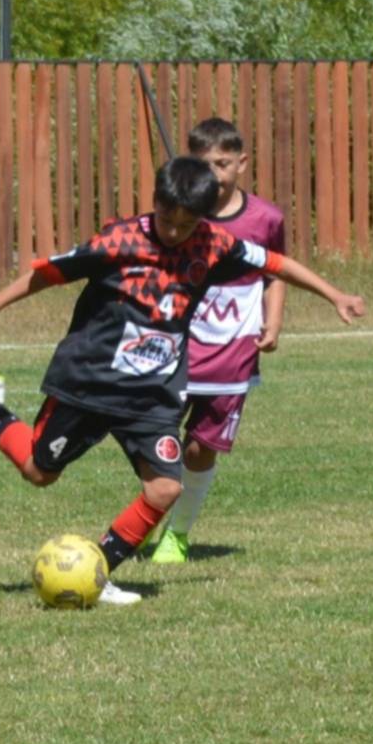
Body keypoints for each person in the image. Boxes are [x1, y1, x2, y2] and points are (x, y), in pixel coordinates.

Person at [0, 157, 365, 606]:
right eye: (168, 220)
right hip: (90, 380)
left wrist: (334, 295)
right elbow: (47, 271)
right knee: (38, 471)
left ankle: (99, 573)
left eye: (187, 224)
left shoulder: (214, 243)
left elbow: (276, 263)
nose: (175, 231)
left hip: (153, 395)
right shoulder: (120, 240)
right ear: (155, 203)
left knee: (165, 488)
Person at [148, 118, 286, 564]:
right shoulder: (182, 216)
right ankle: (144, 517)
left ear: (241, 163)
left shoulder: (266, 219)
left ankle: (177, 534)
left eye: (223, 164)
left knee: (199, 447)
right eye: (204, 164)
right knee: (156, 441)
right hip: (178, 350)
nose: (215, 174)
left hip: (233, 353)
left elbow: (275, 273)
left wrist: (273, 322)